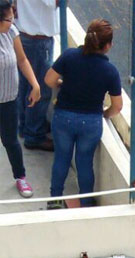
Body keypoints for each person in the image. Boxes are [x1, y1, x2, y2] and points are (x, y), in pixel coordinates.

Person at [44, 18, 122, 208]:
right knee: (84, 163)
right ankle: (85, 202)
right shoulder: (110, 71)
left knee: (61, 158)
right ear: (107, 46)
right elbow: (117, 106)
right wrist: (105, 114)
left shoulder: (70, 56)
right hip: (91, 121)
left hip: (63, 117)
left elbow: (48, 80)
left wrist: (61, 84)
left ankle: (54, 199)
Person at [1, 3, 40, 198]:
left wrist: (35, 84)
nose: (13, 20)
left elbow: (22, 60)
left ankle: (20, 177)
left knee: (11, 140)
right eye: (9, 18)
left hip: (8, 99)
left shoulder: (11, 32)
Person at [16, 0, 58, 152]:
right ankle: (34, 134)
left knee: (24, 85)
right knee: (40, 88)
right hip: (38, 38)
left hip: (24, 32)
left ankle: (25, 125)